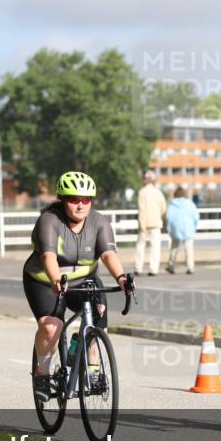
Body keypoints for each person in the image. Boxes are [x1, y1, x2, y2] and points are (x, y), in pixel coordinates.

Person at [22, 171, 132, 402]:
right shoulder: (49, 221)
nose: (80, 205)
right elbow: (48, 258)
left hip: (84, 280)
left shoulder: (99, 222)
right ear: (62, 199)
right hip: (44, 281)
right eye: (74, 199)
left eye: (86, 200)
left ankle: (89, 366)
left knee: (98, 318)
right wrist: (55, 280)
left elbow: (108, 254)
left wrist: (121, 278)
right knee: (51, 328)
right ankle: (42, 373)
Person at [135, 170, 167, 276]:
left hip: (144, 223)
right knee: (155, 247)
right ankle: (153, 269)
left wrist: (142, 224)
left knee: (140, 246)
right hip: (156, 223)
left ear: (147, 180)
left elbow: (141, 209)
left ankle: (138, 268)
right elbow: (163, 208)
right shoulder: (158, 193)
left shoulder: (142, 192)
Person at [165, 186, 199, 275]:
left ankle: (171, 266)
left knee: (174, 248)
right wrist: (194, 226)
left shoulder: (172, 204)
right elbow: (196, 216)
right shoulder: (189, 203)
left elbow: (169, 217)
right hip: (188, 227)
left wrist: (169, 227)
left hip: (176, 227)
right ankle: (190, 267)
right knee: (189, 248)